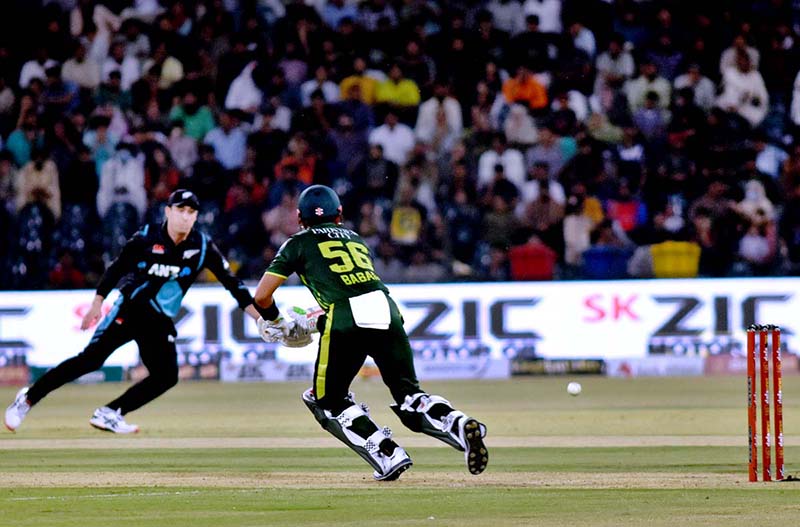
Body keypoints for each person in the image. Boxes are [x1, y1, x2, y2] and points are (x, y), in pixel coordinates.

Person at [252, 185, 488, 481]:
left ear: (299, 217)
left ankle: (387, 452)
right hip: (387, 309)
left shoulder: (297, 242)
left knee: (326, 400)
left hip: (346, 316)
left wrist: (278, 321)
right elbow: (356, 293)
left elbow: (262, 297)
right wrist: (317, 322)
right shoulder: (355, 239)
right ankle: (457, 422)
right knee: (409, 396)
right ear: (340, 215)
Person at [5, 190, 263, 434]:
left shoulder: (203, 246)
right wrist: (97, 303)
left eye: (191, 212)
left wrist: (260, 319)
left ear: (196, 216)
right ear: (168, 212)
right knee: (90, 361)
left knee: (166, 376)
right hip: (128, 310)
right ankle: (27, 399)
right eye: (180, 209)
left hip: (158, 320)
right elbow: (116, 269)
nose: (186, 216)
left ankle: (110, 412)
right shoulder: (146, 237)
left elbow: (233, 285)